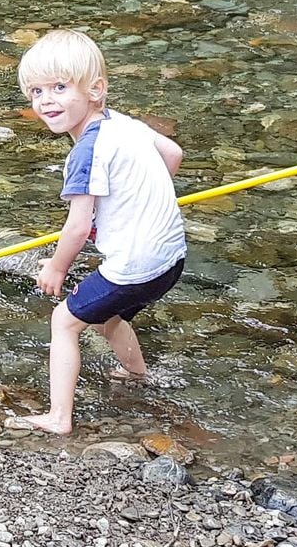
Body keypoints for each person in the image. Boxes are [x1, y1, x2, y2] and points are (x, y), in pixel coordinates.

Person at [15, 29, 186, 435]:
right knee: (109, 317)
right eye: (36, 92)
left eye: (59, 87)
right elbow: (173, 155)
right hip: (171, 257)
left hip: (136, 265)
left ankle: (59, 418)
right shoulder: (123, 124)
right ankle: (136, 376)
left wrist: (57, 268)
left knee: (64, 321)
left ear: (95, 89)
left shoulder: (85, 153)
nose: (46, 101)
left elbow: (76, 226)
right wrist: (140, 196)